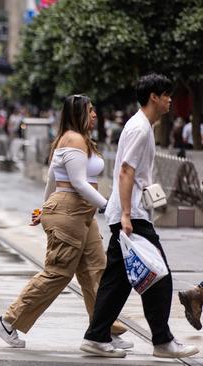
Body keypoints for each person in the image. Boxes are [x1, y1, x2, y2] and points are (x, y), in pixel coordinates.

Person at [0, 94, 130, 349]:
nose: (95, 115)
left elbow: (51, 180)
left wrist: (43, 208)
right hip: (70, 212)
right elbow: (76, 183)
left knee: (95, 270)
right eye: (90, 111)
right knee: (58, 273)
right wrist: (107, 205)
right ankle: (7, 321)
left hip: (80, 213)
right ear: (78, 113)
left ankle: (102, 330)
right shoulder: (74, 140)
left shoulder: (75, 140)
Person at [81, 74, 199, 358]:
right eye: (167, 94)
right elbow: (125, 170)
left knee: (117, 282)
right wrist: (125, 214)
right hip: (131, 214)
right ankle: (162, 341)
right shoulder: (140, 128)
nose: (171, 100)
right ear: (154, 97)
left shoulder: (142, 126)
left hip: (129, 212)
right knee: (159, 276)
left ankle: (96, 336)